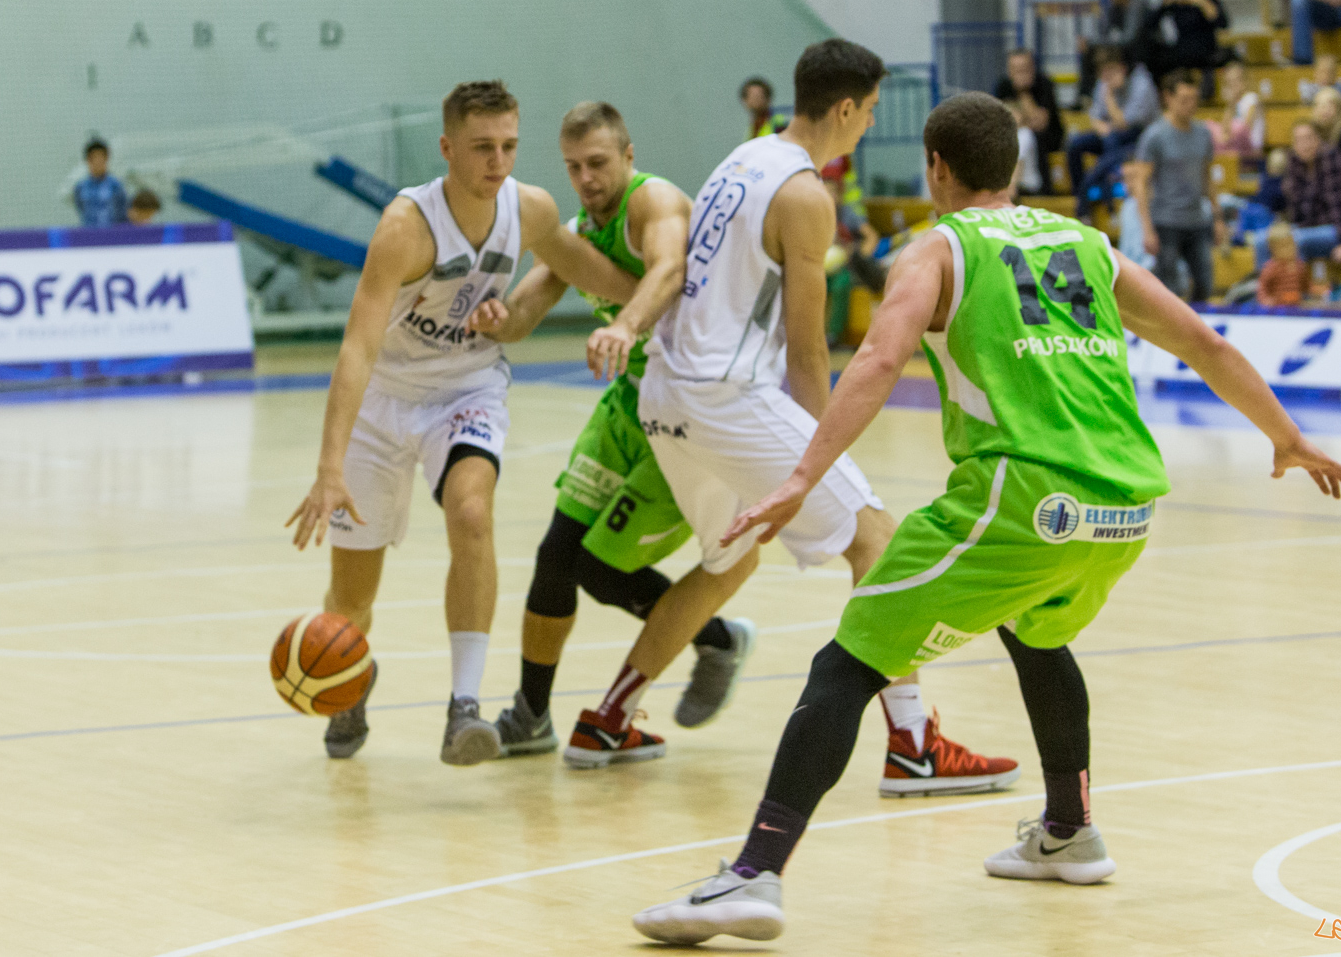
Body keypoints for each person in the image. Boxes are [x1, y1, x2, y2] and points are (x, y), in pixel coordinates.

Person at [629, 92, 1341, 945]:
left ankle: (752, 876)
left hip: (1022, 500)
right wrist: (1288, 437)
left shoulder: (937, 248)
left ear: (937, 168)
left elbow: (878, 356)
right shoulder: (1088, 244)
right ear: (1013, 166)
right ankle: (1068, 831)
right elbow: (1207, 343)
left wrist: (801, 476)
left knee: (849, 657)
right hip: (1124, 507)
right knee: (1036, 633)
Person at [635, 39, 1019, 799]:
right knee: (878, 538)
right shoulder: (806, 194)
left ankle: (609, 715)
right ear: (844, 107)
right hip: (727, 394)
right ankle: (912, 744)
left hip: (665, 391)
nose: (868, 126)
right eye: (870, 112)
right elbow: (809, 351)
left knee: (725, 561)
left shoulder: (741, 157)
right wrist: (825, 460)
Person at [283, 81, 641, 767]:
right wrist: (329, 469)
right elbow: (356, 348)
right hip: (385, 399)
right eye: (482, 148)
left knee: (472, 511)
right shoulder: (405, 227)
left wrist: (664, 295)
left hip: (466, 387)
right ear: (447, 148)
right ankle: (351, 669)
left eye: (508, 145)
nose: (497, 162)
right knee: (350, 601)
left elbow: (583, 267)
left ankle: (464, 708)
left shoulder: (528, 208)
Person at [448, 101, 749, 767]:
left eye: (598, 163)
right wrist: (497, 317)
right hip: (628, 405)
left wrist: (624, 325)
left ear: (628, 154)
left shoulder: (655, 202)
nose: (585, 178)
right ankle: (530, 713)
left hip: (687, 415)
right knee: (557, 554)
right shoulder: (582, 227)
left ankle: (718, 635)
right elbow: (528, 308)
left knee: (597, 564)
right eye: (573, 167)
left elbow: (668, 271)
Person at [1130, 70, 1217, 301]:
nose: (1190, 105)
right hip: (1166, 221)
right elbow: (1141, 182)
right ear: (1168, 98)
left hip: (1197, 219)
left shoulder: (1203, 134)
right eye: (1184, 100)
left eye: (1194, 100)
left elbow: (1207, 177)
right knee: (1169, 289)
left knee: (1205, 282)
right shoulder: (1155, 136)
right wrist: (1147, 228)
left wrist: (1217, 217)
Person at [1067, 45, 1160, 215]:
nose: (1106, 77)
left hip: (1140, 140)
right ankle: (1080, 193)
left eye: (1111, 71)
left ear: (1122, 68)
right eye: (1103, 72)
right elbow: (1095, 116)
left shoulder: (1142, 84)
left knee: (1112, 142)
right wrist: (1102, 126)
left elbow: (1125, 123)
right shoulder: (1103, 82)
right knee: (1075, 144)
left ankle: (1102, 196)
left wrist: (1109, 96)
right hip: (1113, 135)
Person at [1142, 0, 1232, 98]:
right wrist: (1163, 5)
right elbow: (1149, 24)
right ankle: (1159, 96)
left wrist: (1201, 3)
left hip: (1205, 47)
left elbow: (1223, 23)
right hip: (1181, 48)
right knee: (1147, 51)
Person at [1275, 119, 1341, 267]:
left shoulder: (1332, 159)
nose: (1304, 144)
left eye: (1308, 138)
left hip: (1340, 229)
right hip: (1308, 228)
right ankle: (1263, 287)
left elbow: (1339, 206)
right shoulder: (1294, 165)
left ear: (1319, 139)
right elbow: (1296, 212)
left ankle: (1294, 287)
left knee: (1293, 241)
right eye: (1298, 140)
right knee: (1265, 240)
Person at [994, 48, 1065, 193]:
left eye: (1024, 69)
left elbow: (1040, 123)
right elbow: (1003, 122)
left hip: (1048, 138)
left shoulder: (1044, 84)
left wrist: (1023, 92)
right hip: (1015, 136)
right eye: (1016, 70)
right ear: (1010, 71)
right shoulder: (1003, 86)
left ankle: (1035, 188)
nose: (1021, 74)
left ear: (1032, 68)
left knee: (1027, 135)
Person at [1077, 0, 1151, 103]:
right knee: (1089, 51)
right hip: (1122, 50)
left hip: (1141, 52)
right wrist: (1091, 43)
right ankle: (1085, 97)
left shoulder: (1136, 5)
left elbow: (1129, 38)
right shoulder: (1111, 8)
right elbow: (1102, 32)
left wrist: (1093, 42)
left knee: (1096, 48)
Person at [1210, 61, 1266, 159]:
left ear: (1245, 81)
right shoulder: (1232, 103)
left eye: (1236, 80)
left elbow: (1246, 128)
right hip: (1233, 146)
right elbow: (1224, 127)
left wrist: (1227, 137)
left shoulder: (1252, 99)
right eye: (1229, 82)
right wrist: (1231, 103)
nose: (1233, 85)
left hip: (1251, 149)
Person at [72, 139, 128, 227]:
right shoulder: (80, 187)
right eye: (94, 158)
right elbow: (81, 208)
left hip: (111, 235)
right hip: (89, 235)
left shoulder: (116, 185)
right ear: (88, 160)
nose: (97, 162)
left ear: (106, 159)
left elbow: (122, 212)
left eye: (101, 157)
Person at [1257, 223, 1312, 305]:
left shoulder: (1300, 265)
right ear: (1273, 249)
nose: (1290, 249)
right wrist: (1265, 300)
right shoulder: (1271, 268)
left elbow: (1306, 286)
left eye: (1292, 244)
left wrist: (1315, 291)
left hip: (1296, 307)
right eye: (1284, 246)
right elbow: (1262, 287)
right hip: (1277, 309)